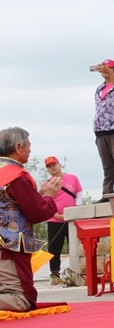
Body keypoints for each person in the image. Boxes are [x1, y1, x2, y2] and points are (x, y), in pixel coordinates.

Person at [0, 128, 61, 311]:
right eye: (28, 145)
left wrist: (38, 195)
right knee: (20, 299)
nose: (30, 150)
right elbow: (37, 213)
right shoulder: (14, 176)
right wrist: (49, 196)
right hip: (8, 246)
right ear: (18, 147)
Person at [42, 156, 83, 285]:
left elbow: (79, 194)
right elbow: (45, 201)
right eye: (49, 166)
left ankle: (77, 271)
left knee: (75, 247)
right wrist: (57, 215)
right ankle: (55, 274)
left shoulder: (72, 178)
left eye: (54, 164)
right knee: (54, 248)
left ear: (59, 165)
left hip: (71, 219)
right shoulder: (46, 184)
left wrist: (75, 210)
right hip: (54, 219)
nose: (52, 167)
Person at [92, 59, 114, 198]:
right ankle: (107, 194)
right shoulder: (99, 89)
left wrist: (111, 76)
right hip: (101, 130)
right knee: (107, 166)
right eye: (104, 68)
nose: (106, 70)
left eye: (109, 68)